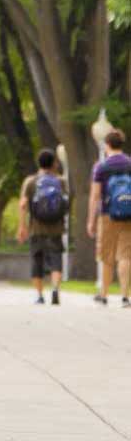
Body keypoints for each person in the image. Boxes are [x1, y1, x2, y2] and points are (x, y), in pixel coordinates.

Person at [18, 149, 68, 305]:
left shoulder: (31, 181)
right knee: (56, 259)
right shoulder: (61, 181)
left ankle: (39, 296)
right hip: (56, 228)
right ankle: (55, 289)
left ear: (38, 163)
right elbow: (65, 204)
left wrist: (22, 226)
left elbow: (23, 205)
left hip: (36, 228)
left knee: (36, 260)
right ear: (54, 163)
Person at [89, 128, 131, 307]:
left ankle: (104, 295)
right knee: (125, 255)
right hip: (128, 214)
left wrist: (91, 220)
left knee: (107, 255)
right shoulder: (129, 164)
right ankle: (125, 296)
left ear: (107, 145)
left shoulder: (101, 166)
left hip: (107, 214)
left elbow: (95, 195)